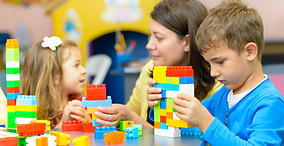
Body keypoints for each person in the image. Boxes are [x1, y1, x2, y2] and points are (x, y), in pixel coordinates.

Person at [166, 0, 284, 145]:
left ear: (249, 51)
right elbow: (187, 126)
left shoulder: (270, 103)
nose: (213, 73)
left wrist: (206, 122)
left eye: (220, 61)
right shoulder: (224, 95)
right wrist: (163, 103)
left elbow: (205, 123)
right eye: (209, 64)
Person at [94, 0, 222, 128]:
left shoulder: (218, 85)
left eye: (159, 38)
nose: (149, 45)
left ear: (187, 42)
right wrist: (110, 116)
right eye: (151, 35)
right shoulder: (150, 68)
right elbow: (129, 114)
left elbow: (191, 139)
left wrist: (132, 118)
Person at [21, 36, 92, 128]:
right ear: (55, 75)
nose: (84, 70)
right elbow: (36, 140)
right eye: (76, 65)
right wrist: (62, 124)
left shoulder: (82, 103)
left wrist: (88, 122)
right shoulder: (33, 112)